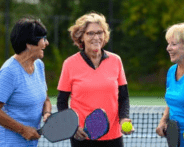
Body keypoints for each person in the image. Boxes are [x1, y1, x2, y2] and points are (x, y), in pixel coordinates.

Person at [57, 12, 133, 147]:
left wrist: (123, 118)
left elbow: (124, 97)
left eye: (100, 32)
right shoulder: (69, 63)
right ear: (81, 37)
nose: (96, 37)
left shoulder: (116, 61)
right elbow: (62, 102)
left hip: (113, 136)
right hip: (82, 136)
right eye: (90, 33)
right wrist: (72, 127)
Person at [0, 17, 52, 147]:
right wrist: (23, 130)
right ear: (29, 43)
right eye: (43, 38)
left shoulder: (38, 65)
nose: (47, 43)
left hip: (31, 143)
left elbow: (45, 99)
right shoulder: (9, 72)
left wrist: (47, 113)